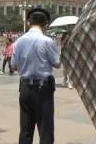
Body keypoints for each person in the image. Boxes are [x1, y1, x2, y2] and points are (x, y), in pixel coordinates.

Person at [12, 8, 60, 144]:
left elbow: (14, 66)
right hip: (43, 88)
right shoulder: (47, 41)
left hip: (25, 87)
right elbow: (57, 64)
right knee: (45, 130)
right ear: (46, 24)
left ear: (29, 23)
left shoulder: (19, 42)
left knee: (26, 129)